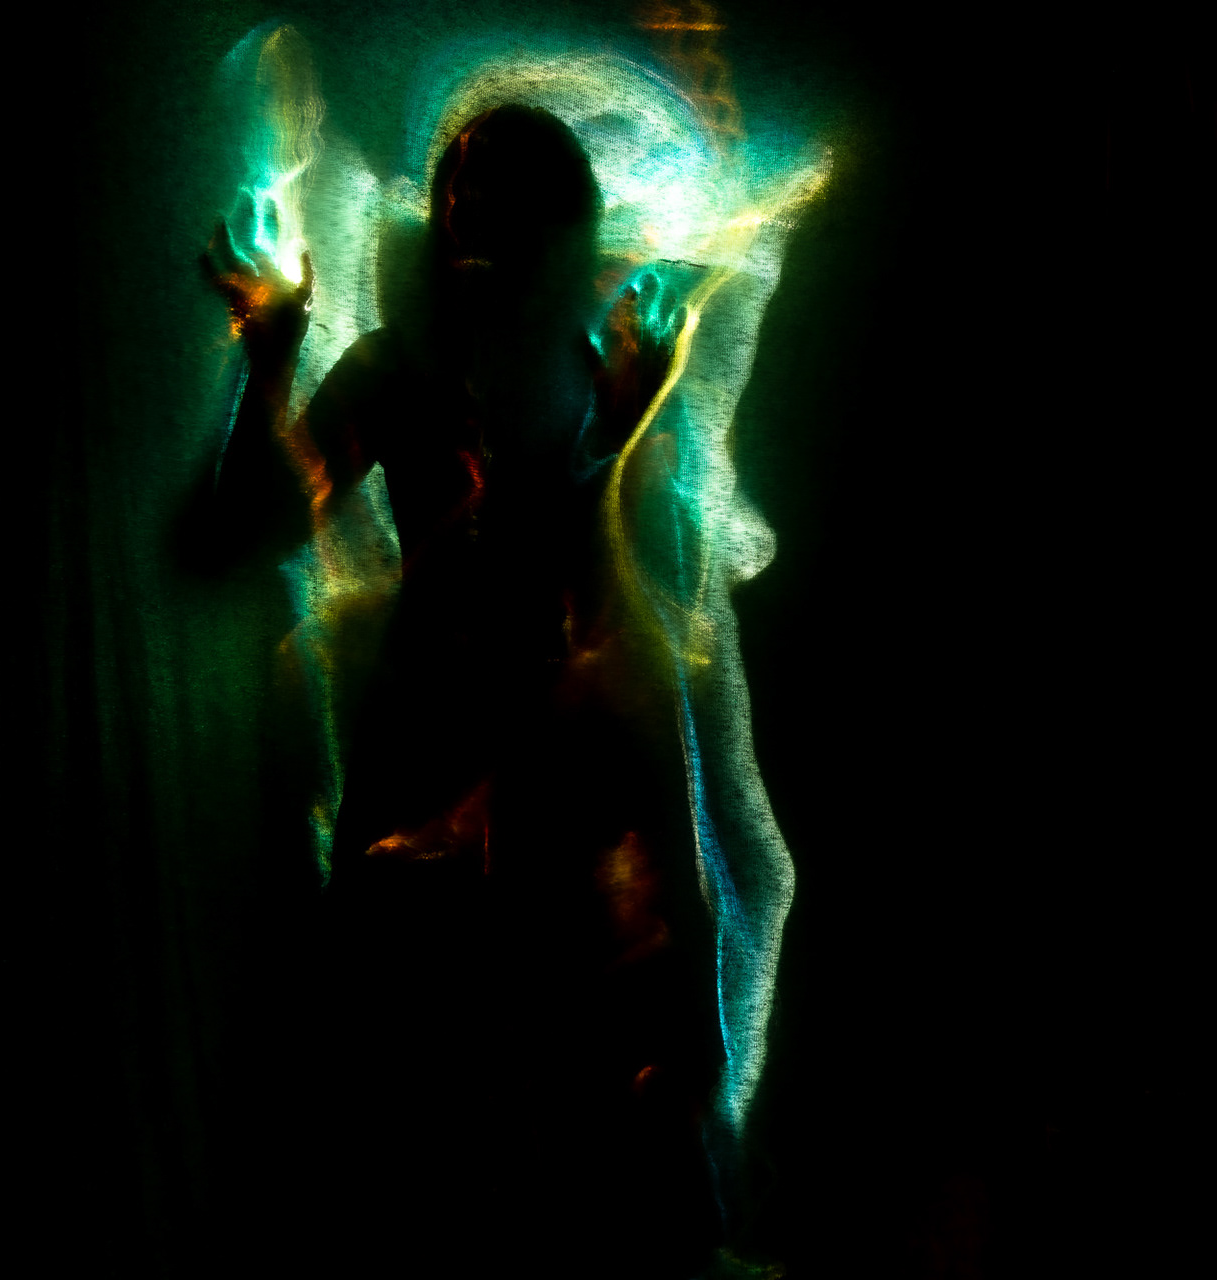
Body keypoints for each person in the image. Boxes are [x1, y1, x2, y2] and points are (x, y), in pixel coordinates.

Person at [200, 104, 753, 1278]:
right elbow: (249, 532)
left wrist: (618, 434)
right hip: (435, 754)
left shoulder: (607, 372)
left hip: (574, 765)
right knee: (420, 1104)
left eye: (502, 182)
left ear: (563, 219)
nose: (470, 203)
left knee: (586, 1105)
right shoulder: (401, 369)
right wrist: (270, 350)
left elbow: (624, 607)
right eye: (462, 179)